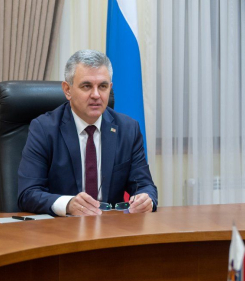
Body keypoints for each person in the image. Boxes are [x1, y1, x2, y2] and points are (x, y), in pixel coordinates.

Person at [18, 50, 157, 216]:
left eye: (103, 86)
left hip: (112, 226)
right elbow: (28, 193)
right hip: (62, 226)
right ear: (67, 90)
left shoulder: (127, 129)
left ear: (110, 88)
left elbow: (145, 185)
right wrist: (68, 204)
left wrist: (146, 199)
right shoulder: (44, 129)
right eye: (86, 86)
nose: (96, 95)